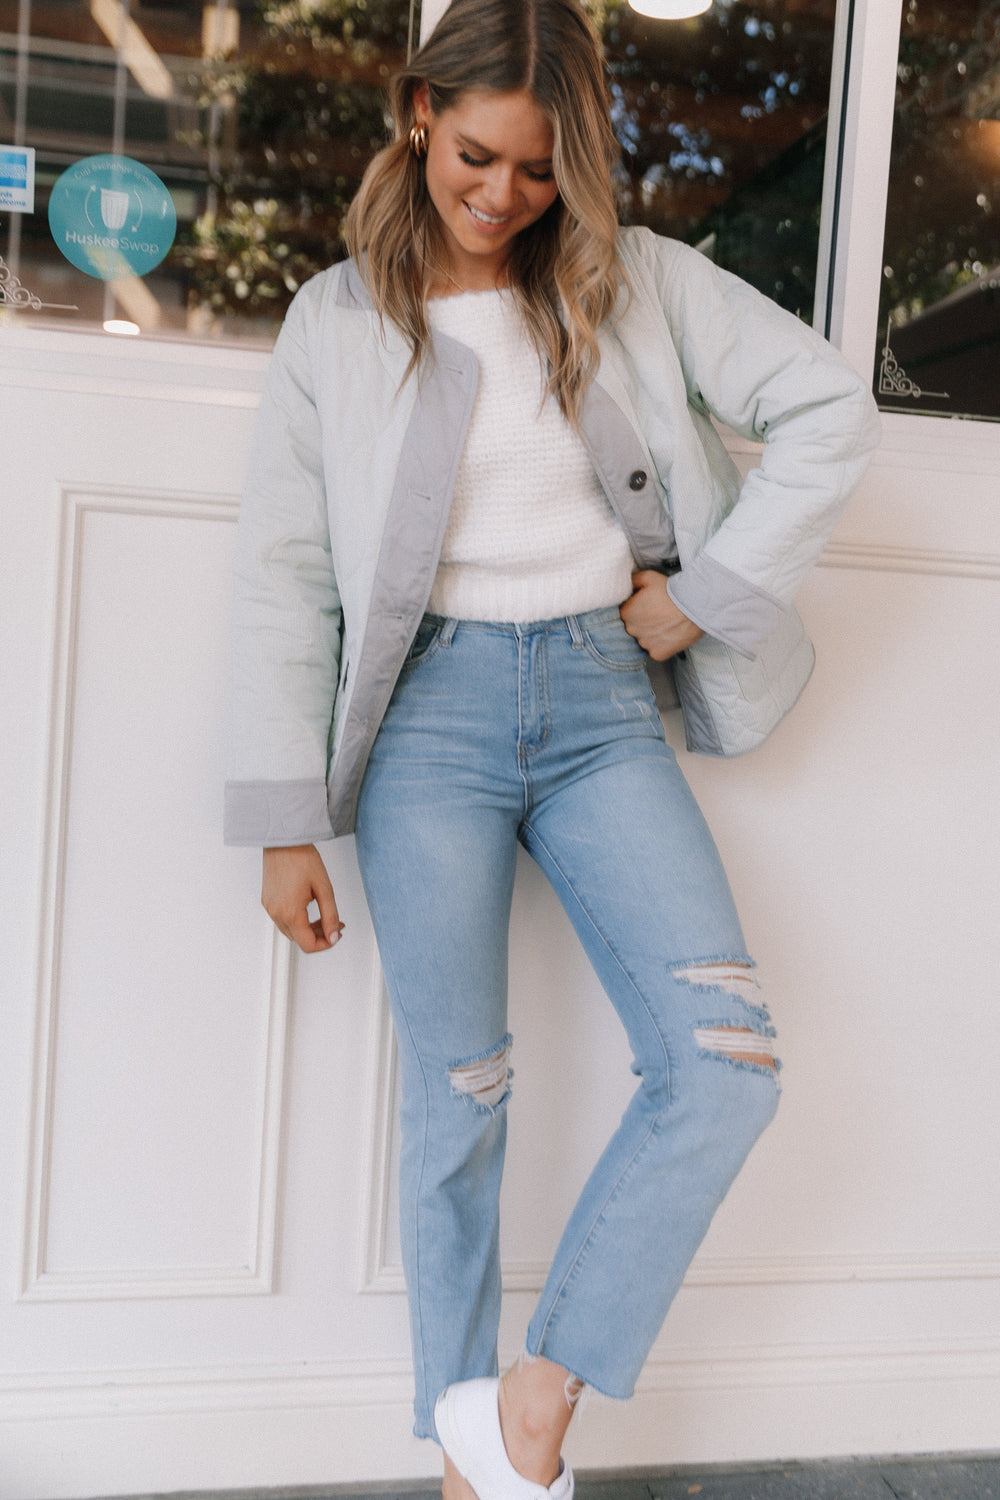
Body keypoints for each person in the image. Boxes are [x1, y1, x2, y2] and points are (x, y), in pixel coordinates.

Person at [225, 1, 880, 1495]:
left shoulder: (639, 280)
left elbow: (829, 411)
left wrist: (702, 597)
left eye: (539, 169)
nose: (503, 195)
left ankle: (533, 1397)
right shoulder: (336, 319)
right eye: (477, 155)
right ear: (417, 114)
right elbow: (284, 570)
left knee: (724, 1064)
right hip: (426, 728)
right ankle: (472, 1469)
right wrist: (281, 818)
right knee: (457, 1103)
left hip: (600, 707)